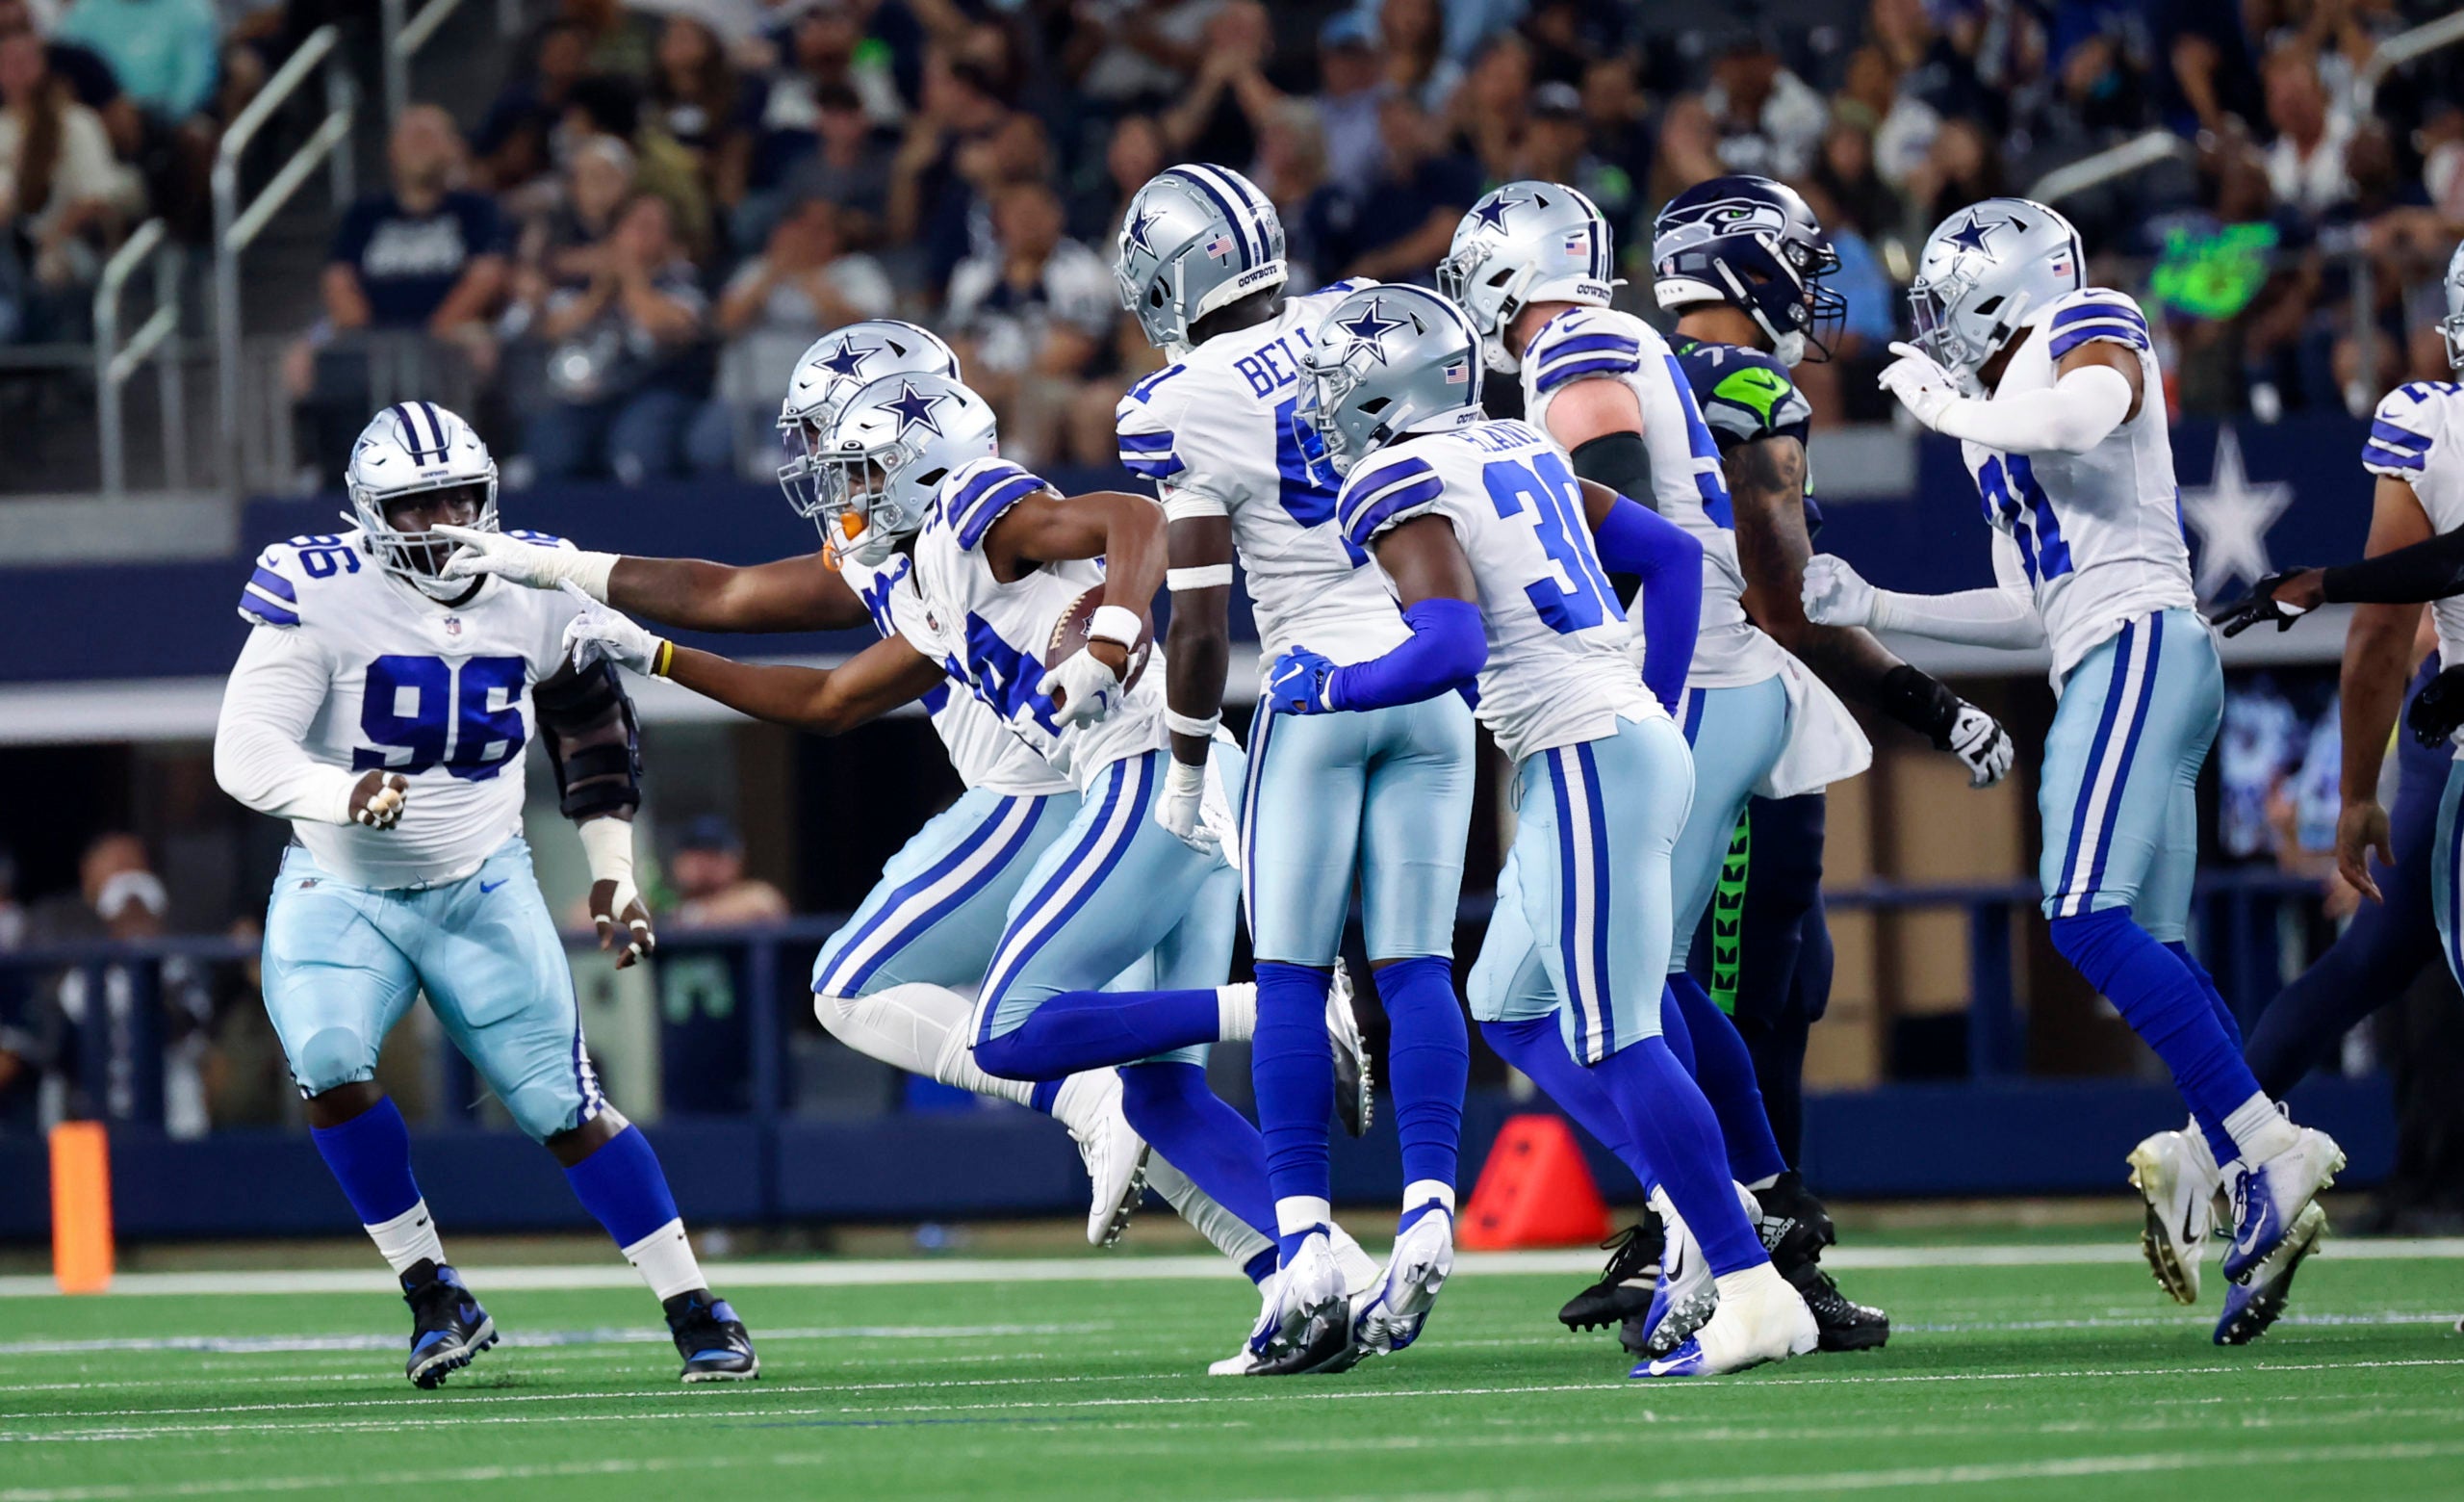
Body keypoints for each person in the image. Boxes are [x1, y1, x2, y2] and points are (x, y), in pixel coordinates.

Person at [440, 338, 1380, 1363]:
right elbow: (818, 685)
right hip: (1159, 788)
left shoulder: (973, 506)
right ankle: (1322, 1283)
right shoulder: (912, 568)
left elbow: (1136, 519)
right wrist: (617, 619)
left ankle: (1281, 1007)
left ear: (918, 450)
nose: (834, 487)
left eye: (851, 464)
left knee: (1012, 1030)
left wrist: (1108, 639)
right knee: (1159, 1089)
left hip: (1134, 779)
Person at [1801, 195, 2346, 1337]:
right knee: (2147, 943)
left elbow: (2090, 410)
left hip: (2139, 643)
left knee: (2083, 919)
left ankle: (2267, 1149)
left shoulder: (2079, 325)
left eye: (1951, 302)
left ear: (2005, 283)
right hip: (2110, 649)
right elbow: (2032, 612)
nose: (1940, 329)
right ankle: (2217, 1162)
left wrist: (1954, 406)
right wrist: (1882, 608)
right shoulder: (1998, 416)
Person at [1281, 281, 1817, 1379]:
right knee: (1512, 1006)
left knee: (1619, 1033)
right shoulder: (1511, 442)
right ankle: (1693, 1204)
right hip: (1615, 739)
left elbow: (1447, 648)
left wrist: (1330, 686)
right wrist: (1649, 710)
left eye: (1337, 388)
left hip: (1582, 755)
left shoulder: (1399, 473)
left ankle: (1749, 1282)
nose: (1323, 410)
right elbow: (1668, 559)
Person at [1437, 179, 1914, 1360]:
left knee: (1623, 994)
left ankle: (1735, 1245)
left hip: (1674, 688)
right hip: (1672, 690)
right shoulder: (1602, 348)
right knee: (1519, 1000)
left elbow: (1643, 545)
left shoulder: (1580, 350)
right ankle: (1742, 1200)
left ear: (1501, 279)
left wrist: (1631, 704)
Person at [211, 402, 757, 1387]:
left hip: (482, 880)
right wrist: (342, 791)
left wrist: (613, 872)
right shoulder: (319, 588)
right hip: (341, 885)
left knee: (560, 1100)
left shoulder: (533, 579)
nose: (449, 521)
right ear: (372, 516)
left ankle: (693, 1305)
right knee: (330, 1060)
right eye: (420, 507)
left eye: (463, 498)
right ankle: (432, 1293)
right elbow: (243, 751)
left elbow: (592, 730)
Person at [1112, 163, 1475, 1375]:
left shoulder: (1178, 398)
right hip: (1430, 682)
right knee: (1417, 965)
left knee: (1288, 976)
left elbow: (1203, 621)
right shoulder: (1359, 314)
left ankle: (1310, 1254)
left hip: (1316, 689)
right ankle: (1429, 1205)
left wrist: (1178, 764)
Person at [1646, 174, 2017, 1331]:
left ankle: (1721, 1241)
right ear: (1740, 264)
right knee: (1733, 1002)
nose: (1812, 286)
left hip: (1705, 716)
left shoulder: (1629, 374)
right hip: (1722, 719)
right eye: (1795, 259)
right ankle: (1711, 1253)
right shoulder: (1741, 385)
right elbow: (1786, 603)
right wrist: (1929, 703)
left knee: (1779, 990)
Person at [2197, 238, 2464, 1338]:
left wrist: (2358, 786)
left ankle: (2217, 1162)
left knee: (2366, 962)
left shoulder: (2432, 420)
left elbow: (2385, 635)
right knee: (2378, 957)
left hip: (2444, 735)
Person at [292, 106, 508, 482]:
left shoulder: (475, 209)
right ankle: (320, 469)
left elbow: (487, 275)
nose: (421, 146)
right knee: (300, 360)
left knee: (482, 349)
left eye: (430, 136)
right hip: (373, 336)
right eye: (412, 137)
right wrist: (378, 338)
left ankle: (491, 465)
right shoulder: (364, 213)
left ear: (451, 150)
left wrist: (434, 331)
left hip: (449, 334)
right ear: (391, 151)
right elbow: (339, 280)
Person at [526, 193, 710, 483]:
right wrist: (600, 292)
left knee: (637, 447)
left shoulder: (680, 279)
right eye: (637, 225)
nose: (644, 235)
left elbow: (663, 325)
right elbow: (553, 329)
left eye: (655, 228)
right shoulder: (584, 279)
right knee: (552, 450)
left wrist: (630, 276)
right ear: (616, 232)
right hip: (587, 393)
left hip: (654, 390)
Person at [663, 816, 787, 930]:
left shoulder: (755, 896)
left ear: (737, 859)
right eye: (696, 854)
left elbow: (765, 906)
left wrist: (690, 916)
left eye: (714, 854)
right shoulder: (668, 902)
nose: (705, 863)